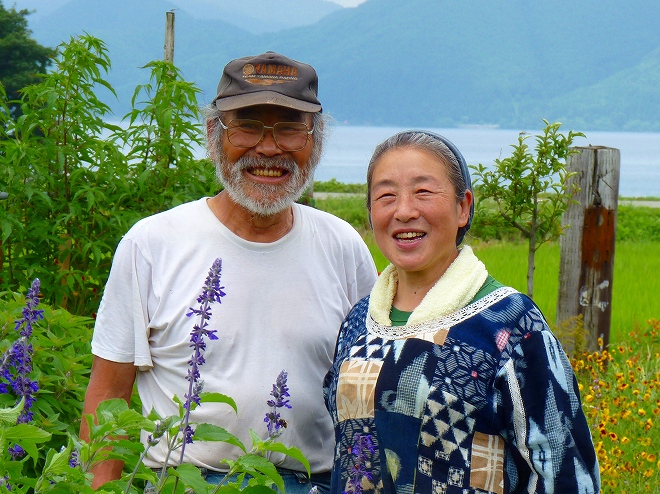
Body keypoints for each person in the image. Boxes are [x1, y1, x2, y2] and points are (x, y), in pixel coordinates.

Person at [81, 51, 378, 492]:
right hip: (184, 482)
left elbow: (368, 386)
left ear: (315, 141)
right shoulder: (151, 243)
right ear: (212, 134)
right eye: (249, 125)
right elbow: (108, 396)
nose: (270, 147)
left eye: (291, 128)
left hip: (313, 482)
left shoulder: (343, 245)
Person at [323, 131, 600, 493]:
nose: (404, 211)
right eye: (386, 196)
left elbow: (566, 473)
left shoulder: (510, 323)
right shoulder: (360, 322)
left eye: (423, 192)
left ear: (463, 207)